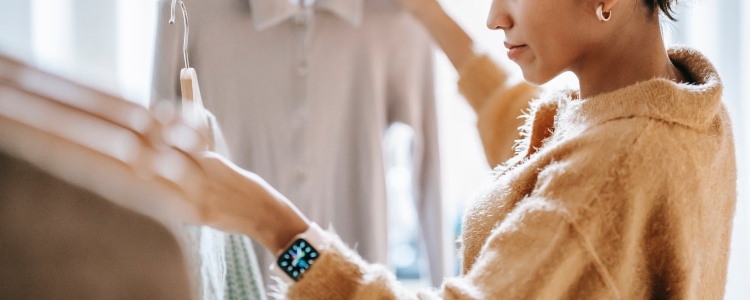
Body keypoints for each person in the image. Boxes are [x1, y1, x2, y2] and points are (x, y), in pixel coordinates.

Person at [165, 0, 738, 298]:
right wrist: (430, 15)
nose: (494, 16)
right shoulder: (684, 107)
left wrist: (277, 231)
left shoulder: (613, 166)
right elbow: (537, 143)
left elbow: (579, 189)